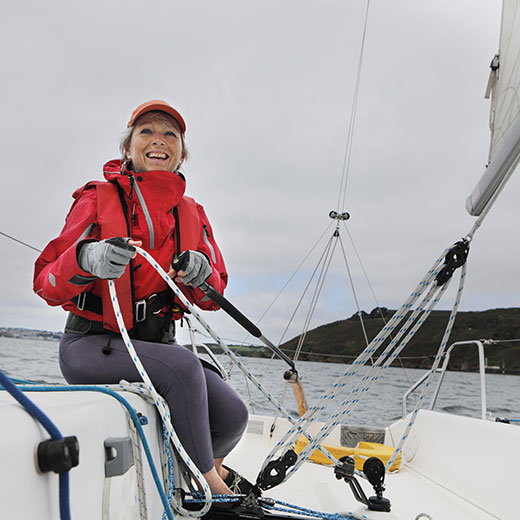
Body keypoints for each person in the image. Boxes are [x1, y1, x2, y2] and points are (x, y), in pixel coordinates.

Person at [33, 100, 250, 495]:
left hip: (157, 347)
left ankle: (191, 473)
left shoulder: (192, 212)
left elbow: (213, 297)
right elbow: (46, 281)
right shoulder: (97, 198)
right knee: (184, 368)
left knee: (233, 414)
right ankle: (212, 490)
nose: (158, 141)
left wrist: (204, 275)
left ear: (181, 153)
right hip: (91, 343)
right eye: (146, 131)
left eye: (170, 134)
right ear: (128, 147)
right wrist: (86, 259)